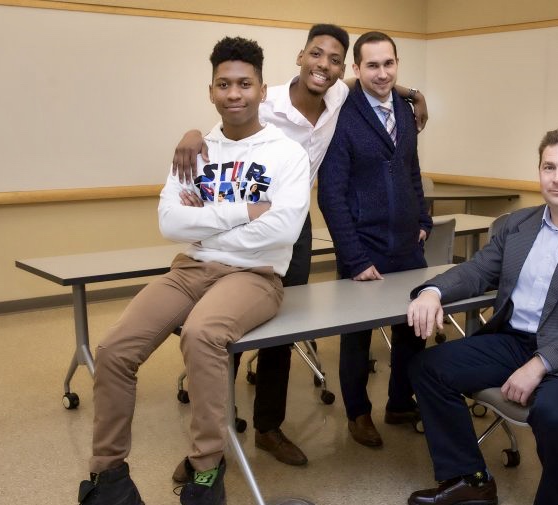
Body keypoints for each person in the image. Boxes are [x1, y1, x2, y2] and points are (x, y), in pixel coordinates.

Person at [170, 24, 429, 467]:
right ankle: (210, 442)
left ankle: (269, 427)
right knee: (218, 332)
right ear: (300, 55)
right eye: (316, 54)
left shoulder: (337, 98)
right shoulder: (262, 97)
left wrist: (413, 93)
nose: (322, 65)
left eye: (332, 59)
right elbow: (223, 123)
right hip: (239, 220)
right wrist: (194, 131)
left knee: (280, 331)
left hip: (293, 226)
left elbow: (370, 78)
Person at [77, 36, 310, 505]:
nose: (234, 93)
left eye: (244, 83)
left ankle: (205, 474)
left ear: (263, 91)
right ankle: (109, 478)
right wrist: (244, 213)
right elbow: (170, 223)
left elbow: (283, 230)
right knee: (113, 349)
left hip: (255, 276)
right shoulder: (193, 151)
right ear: (211, 92)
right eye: (224, 84)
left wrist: (204, 226)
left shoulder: (288, 154)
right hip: (190, 268)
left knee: (202, 335)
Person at [405, 127, 558, 505]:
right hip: (517, 340)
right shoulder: (517, 226)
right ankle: (470, 481)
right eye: (548, 167)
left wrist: (541, 364)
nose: (557, 178)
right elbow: (477, 270)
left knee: (552, 413)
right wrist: (432, 292)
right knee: (428, 366)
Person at [317, 31, 433, 448]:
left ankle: (400, 402)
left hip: (407, 244)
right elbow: (330, 193)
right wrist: (354, 256)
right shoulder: (340, 115)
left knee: (413, 332)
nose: (381, 73)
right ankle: (358, 413)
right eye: (372, 65)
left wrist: (423, 219)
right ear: (356, 69)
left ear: (397, 65)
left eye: (388, 64)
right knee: (357, 338)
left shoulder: (404, 110)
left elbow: (412, 171)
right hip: (363, 247)